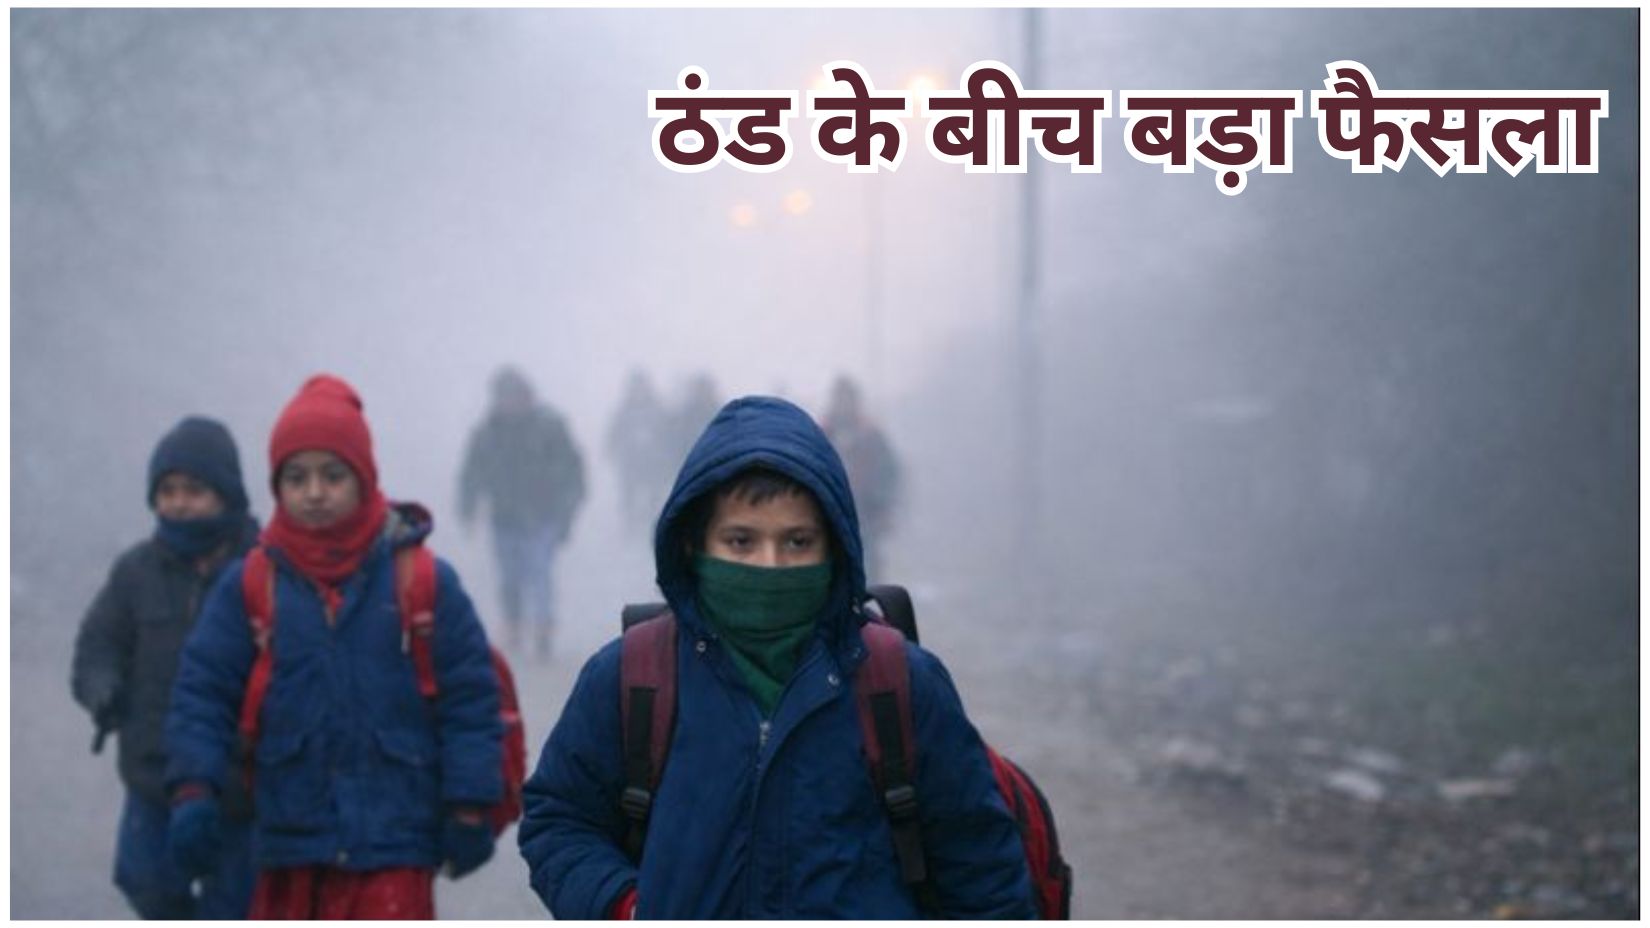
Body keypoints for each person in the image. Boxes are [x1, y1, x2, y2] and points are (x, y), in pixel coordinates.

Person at [517, 396, 1032, 918]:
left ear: (834, 547)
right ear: (693, 545)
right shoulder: (633, 677)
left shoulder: (899, 683)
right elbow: (559, 819)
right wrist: (623, 907)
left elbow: (984, 870)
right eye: (741, 541)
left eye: (798, 542)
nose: (770, 566)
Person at [165, 374, 502, 920]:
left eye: (333, 475)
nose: (315, 492)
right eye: (296, 477)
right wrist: (193, 788)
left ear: (364, 479)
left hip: (396, 842)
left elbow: (470, 699)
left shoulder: (422, 581)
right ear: (277, 486)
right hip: (288, 842)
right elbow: (202, 693)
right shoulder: (251, 584)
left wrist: (470, 803)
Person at [70, 416, 261, 919]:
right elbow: (98, 644)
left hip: (239, 779)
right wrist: (103, 689)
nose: (179, 503)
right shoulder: (135, 572)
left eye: (195, 490)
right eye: (168, 491)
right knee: (145, 879)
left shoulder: (263, 571)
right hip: (154, 770)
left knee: (237, 903)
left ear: (228, 494)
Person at [459, 366, 585, 659]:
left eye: (514, 396)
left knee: (540, 573)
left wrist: (566, 512)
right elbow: (471, 473)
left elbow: (573, 471)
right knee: (509, 576)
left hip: (543, 517)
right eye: (503, 396)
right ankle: (514, 625)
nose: (509, 403)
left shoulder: (550, 428)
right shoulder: (487, 433)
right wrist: (467, 508)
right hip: (505, 518)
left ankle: (543, 629)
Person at [821, 375, 901, 581]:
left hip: (867, 515)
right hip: (831, 516)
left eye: (847, 399)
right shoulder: (821, 436)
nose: (843, 405)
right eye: (840, 399)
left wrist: (884, 507)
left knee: (868, 571)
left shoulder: (872, 436)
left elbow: (890, 474)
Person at [604, 369, 671, 535]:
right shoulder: (625, 411)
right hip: (630, 464)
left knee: (653, 498)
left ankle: (652, 526)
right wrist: (613, 452)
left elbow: (668, 435)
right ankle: (630, 527)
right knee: (630, 499)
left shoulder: (657, 410)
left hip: (652, 463)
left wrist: (665, 458)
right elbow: (614, 435)